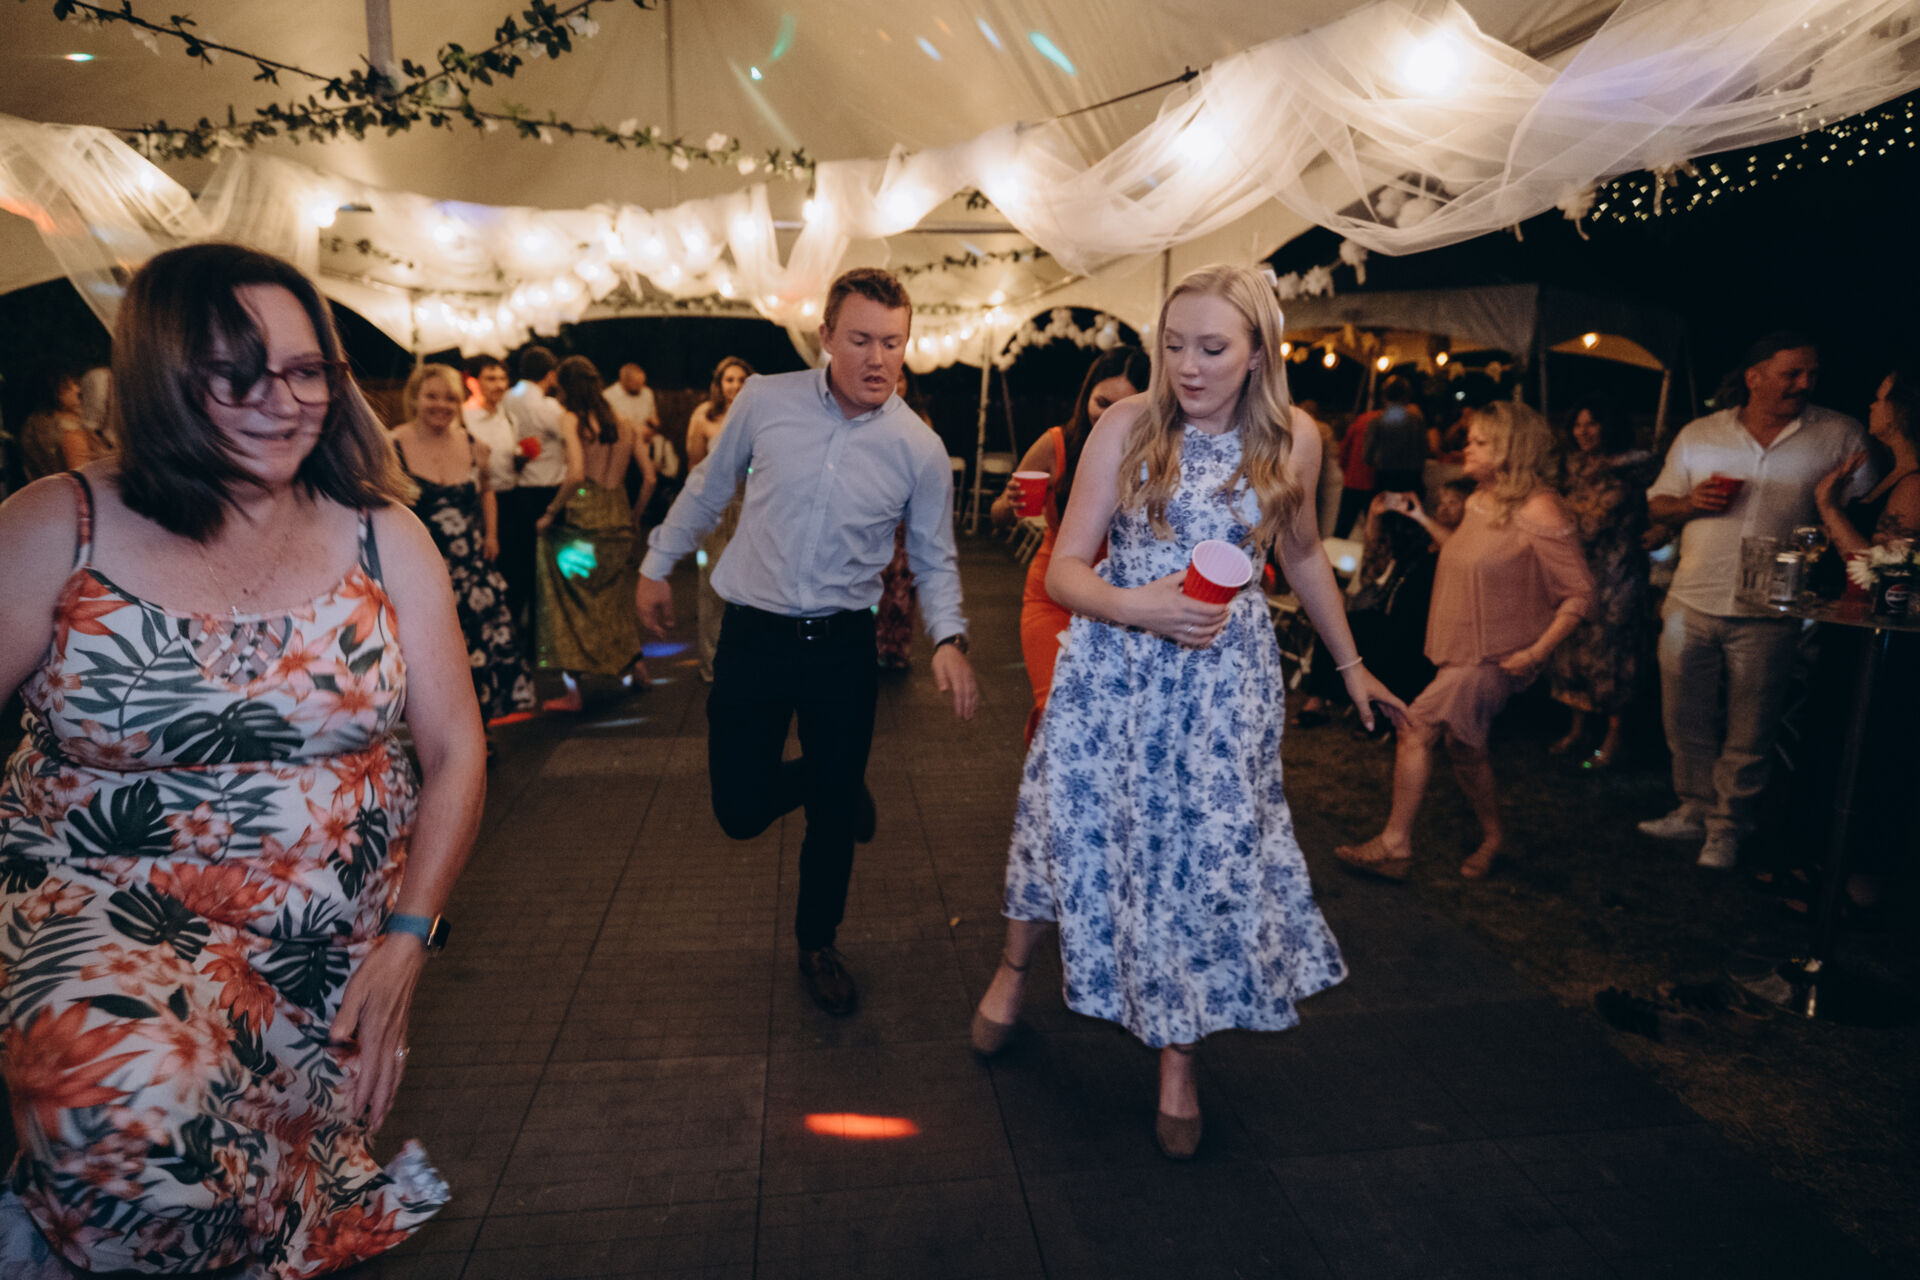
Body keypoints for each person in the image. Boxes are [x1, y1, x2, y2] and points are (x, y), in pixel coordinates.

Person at [0, 242, 481, 1274]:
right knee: (132, 1127)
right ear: (161, 375)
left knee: (251, 1194)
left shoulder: (382, 534)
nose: (283, 401)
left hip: (318, 944)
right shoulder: (56, 524)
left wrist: (408, 940)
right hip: (99, 907)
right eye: (239, 374)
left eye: (307, 371)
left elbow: (455, 749)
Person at [971, 264, 1408, 1161]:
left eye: (1212, 348)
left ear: (1258, 355)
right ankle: (1014, 970)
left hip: (1220, 687)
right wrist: (1138, 606)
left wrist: (1352, 666)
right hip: (1112, 668)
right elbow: (1065, 568)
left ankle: (1179, 1059)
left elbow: (1304, 557)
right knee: (1065, 825)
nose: (1188, 367)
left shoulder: (1294, 439)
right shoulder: (1126, 424)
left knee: (1196, 862)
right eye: (1174, 346)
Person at [637, 268, 978, 1017]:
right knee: (740, 810)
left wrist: (949, 637)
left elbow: (934, 556)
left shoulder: (918, 448)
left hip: (841, 648)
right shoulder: (766, 400)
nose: (877, 359)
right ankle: (836, 779)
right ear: (825, 336)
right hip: (753, 636)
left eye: (892, 342)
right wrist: (658, 563)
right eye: (860, 339)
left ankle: (817, 943)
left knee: (829, 822)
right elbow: (709, 486)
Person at [1335, 401, 1594, 883]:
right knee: (1465, 748)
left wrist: (1536, 652)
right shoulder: (1480, 498)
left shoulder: (1539, 508)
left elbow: (1580, 591)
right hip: (1463, 646)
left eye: (1479, 442)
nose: (1466, 448)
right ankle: (1494, 838)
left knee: (1415, 726)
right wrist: (1420, 518)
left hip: (1496, 655)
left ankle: (1395, 845)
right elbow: (1460, 550)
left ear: (1509, 450)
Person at [1639, 333, 1870, 870]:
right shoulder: (1701, 433)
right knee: (1684, 715)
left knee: (1753, 724)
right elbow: (1656, 505)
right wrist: (1690, 503)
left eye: (1812, 373)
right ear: (1755, 376)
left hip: (1773, 607)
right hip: (1692, 596)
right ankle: (1693, 807)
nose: (1805, 383)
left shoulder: (1838, 434)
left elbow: (1865, 511)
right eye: (1793, 373)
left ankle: (1728, 826)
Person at [989, 345, 1149, 741]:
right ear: (1086, 395)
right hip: (1053, 599)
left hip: (1119, 606)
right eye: (1102, 402)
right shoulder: (1058, 443)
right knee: (1059, 710)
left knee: (1107, 725)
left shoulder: (1153, 456)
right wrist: (1010, 503)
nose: (1108, 416)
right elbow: (998, 516)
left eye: (1123, 407)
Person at [391, 362, 536, 731]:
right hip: (418, 573)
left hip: (470, 568)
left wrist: (491, 535)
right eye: (432, 396)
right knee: (430, 657)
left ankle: (476, 732)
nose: (441, 405)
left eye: (450, 399)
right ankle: (437, 734)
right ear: (415, 398)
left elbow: (487, 490)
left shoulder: (474, 445)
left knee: (478, 652)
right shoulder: (393, 446)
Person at [536, 355, 653, 710]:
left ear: (565, 388)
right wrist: (635, 516)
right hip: (618, 520)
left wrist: (550, 513)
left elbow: (575, 474)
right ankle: (636, 668)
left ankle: (573, 692)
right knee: (613, 601)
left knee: (566, 604)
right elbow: (650, 478)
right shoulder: (626, 423)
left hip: (581, 523)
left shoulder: (571, 419)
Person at [1548, 404, 1657, 770]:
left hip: (1617, 572)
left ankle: (1613, 738)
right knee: (1573, 648)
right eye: (1577, 424)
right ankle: (1578, 729)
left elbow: (1599, 519)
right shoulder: (1570, 466)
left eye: (1592, 423)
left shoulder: (1632, 468)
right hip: (1577, 570)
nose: (1584, 431)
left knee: (1613, 653)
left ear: (1609, 425)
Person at [683, 356, 754, 682]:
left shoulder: (757, 415)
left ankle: (747, 660)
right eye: (729, 379)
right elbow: (693, 466)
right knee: (712, 588)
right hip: (715, 510)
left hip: (750, 507)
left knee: (750, 588)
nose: (735, 385)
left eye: (741, 379)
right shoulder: (704, 416)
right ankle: (712, 662)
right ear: (719, 383)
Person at [498, 346, 567, 645]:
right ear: (551, 375)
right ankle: (542, 634)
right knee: (547, 567)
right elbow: (571, 438)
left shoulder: (507, 398)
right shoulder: (548, 407)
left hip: (517, 490)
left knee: (519, 563)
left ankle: (514, 628)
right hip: (547, 492)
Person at [1814, 365, 1920, 551]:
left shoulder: (1914, 487)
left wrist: (1829, 507)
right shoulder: (1891, 471)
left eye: (1879, 400)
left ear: (1902, 411)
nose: (1872, 406)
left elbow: (1880, 564)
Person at [874, 371, 928, 671]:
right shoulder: (866, 414)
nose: (897, 384)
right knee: (873, 578)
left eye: (902, 379)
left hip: (907, 513)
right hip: (874, 511)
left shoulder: (919, 419)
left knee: (902, 583)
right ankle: (869, 643)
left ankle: (895, 649)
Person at [20, 369, 110, 482]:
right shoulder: (68, 428)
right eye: (68, 388)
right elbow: (83, 477)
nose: (77, 390)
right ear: (53, 393)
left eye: (75, 384)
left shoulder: (33, 424)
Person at [462, 353, 519, 499]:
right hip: (476, 498)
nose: (500, 386)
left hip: (510, 495)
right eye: (491, 379)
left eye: (503, 378)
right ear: (472, 382)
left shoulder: (509, 418)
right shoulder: (462, 419)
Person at [1364, 374, 1428, 496]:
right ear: (1406, 396)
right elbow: (1424, 451)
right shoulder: (1417, 421)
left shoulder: (1376, 422)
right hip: (1412, 481)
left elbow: (1367, 456)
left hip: (1385, 480)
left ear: (1384, 396)